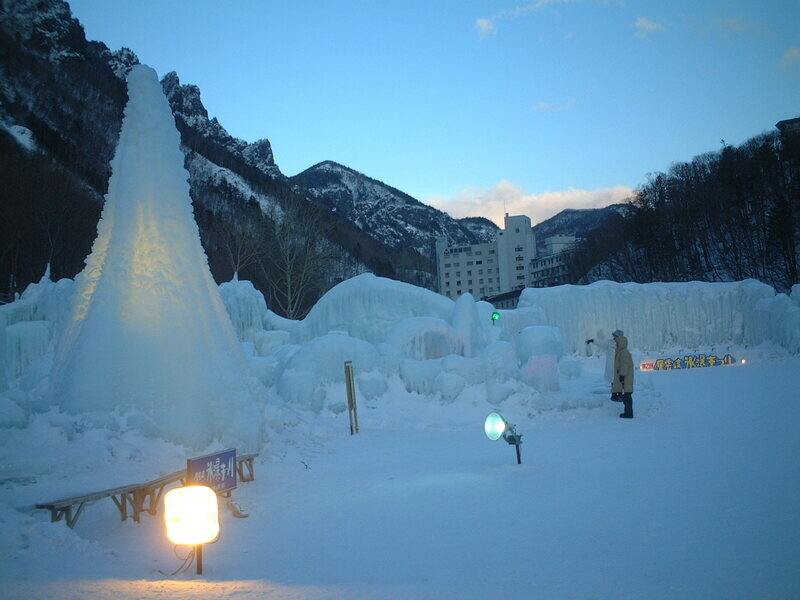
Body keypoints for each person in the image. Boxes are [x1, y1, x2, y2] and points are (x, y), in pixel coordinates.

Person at [611, 329, 634, 418]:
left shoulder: (623, 352)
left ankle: (628, 413)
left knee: (627, 396)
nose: (614, 339)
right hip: (624, 378)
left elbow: (625, 365)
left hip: (625, 378)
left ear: (619, 339)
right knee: (625, 396)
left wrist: (622, 375)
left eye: (615, 337)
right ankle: (628, 412)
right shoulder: (621, 351)